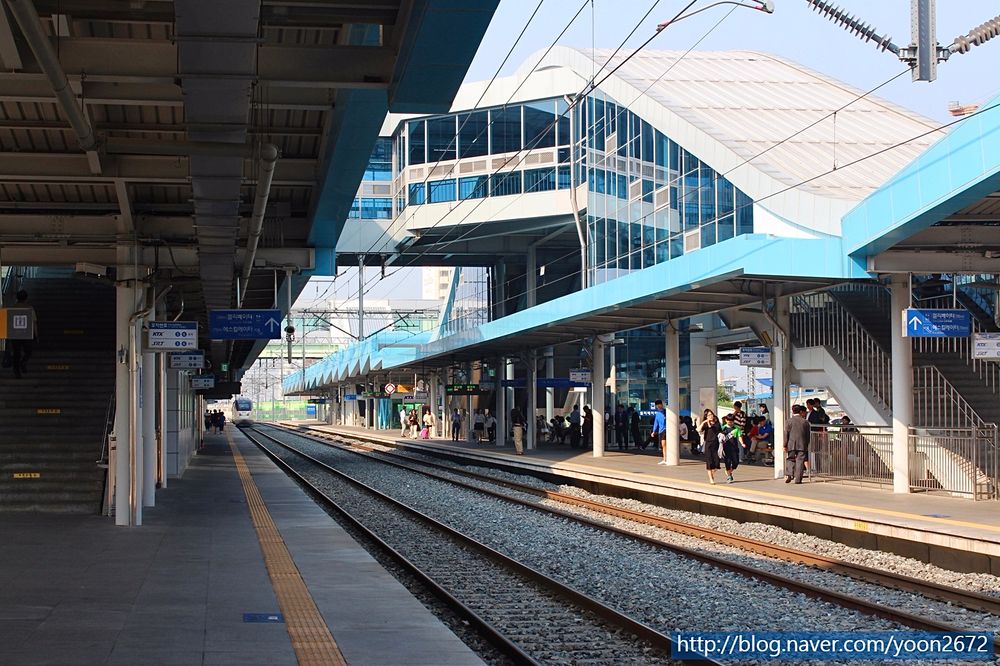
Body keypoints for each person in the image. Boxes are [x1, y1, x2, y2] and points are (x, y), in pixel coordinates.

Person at [8, 289, 37, 379]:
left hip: (15, 333)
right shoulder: (29, 308)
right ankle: (23, 362)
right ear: (26, 298)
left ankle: (16, 370)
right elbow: (34, 322)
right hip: (26, 333)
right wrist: (36, 335)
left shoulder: (12, 308)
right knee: (28, 351)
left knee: (17, 353)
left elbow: (9, 322)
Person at [784, 404, 812, 483]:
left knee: (790, 459)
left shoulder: (788, 421)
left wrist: (784, 445)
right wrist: (807, 444)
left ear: (792, 411)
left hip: (791, 443)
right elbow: (807, 434)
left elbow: (786, 434)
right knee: (800, 461)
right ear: (800, 411)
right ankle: (798, 479)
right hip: (802, 444)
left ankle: (789, 474)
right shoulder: (805, 422)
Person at [699, 409, 723, 484]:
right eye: (709, 415)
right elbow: (698, 430)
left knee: (717, 462)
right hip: (708, 444)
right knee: (709, 462)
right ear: (706, 416)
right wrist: (704, 422)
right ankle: (711, 479)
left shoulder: (717, 423)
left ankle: (712, 474)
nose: (711, 416)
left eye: (711, 414)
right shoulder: (705, 424)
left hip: (716, 444)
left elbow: (720, 431)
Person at [720, 413, 742, 483]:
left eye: (732, 421)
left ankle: (730, 471)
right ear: (726, 420)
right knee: (728, 462)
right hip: (726, 448)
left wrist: (742, 443)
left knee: (736, 462)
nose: (731, 422)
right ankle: (729, 476)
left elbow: (740, 436)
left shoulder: (736, 428)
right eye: (729, 421)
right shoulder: (723, 428)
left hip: (735, 448)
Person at [650, 400, 667, 465]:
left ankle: (666, 459)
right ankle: (665, 459)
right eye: (657, 405)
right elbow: (656, 423)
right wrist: (654, 431)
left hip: (667, 430)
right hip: (661, 431)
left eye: (659, 404)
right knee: (663, 445)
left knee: (664, 445)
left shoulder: (666, 412)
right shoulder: (657, 414)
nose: (658, 406)